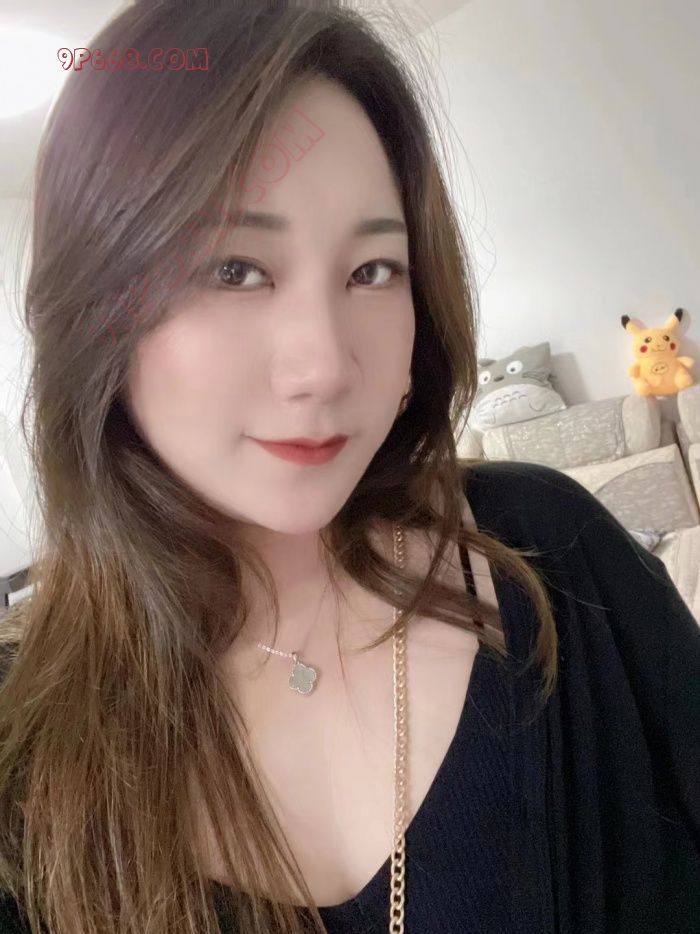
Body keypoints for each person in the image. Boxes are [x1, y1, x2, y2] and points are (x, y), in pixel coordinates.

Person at [0, 1, 698, 933]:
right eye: (234, 269)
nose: (326, 365)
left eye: (372, 270)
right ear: (93, 312)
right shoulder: (24, 749)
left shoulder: (554, 553)